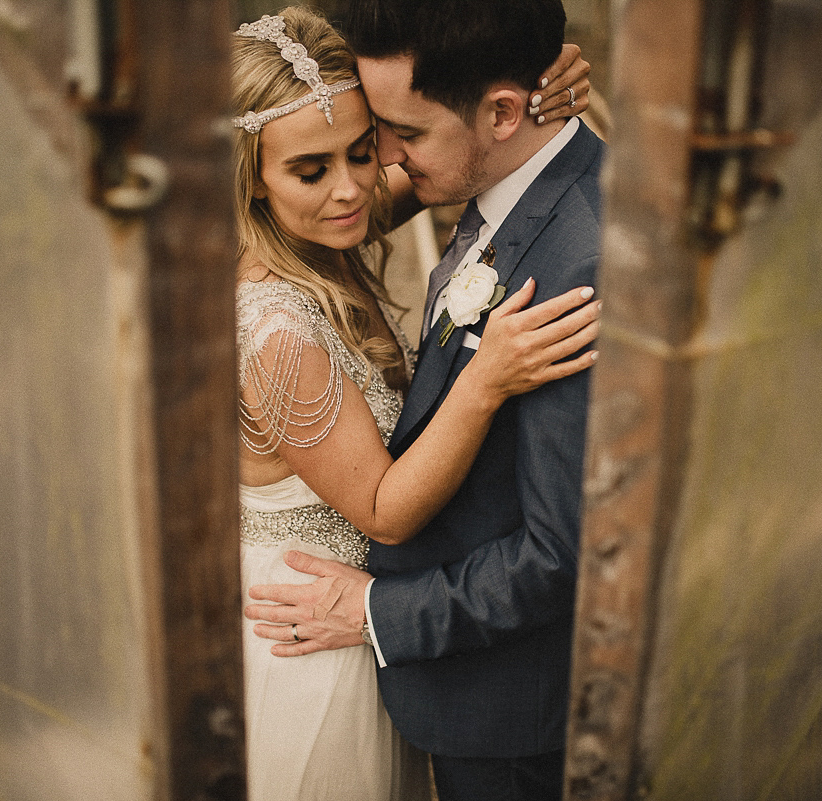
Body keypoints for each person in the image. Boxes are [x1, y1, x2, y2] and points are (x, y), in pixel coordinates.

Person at [230, 7, 597, 800]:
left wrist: (528, 87)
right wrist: (487, 377)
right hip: (312, 635)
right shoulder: (276, 329)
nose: (358, 181)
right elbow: (384, 511)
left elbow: (430, 165)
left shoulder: (324, 225)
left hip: (370, 636)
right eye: (311, 170)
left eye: (367, 147)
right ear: (253, 179)